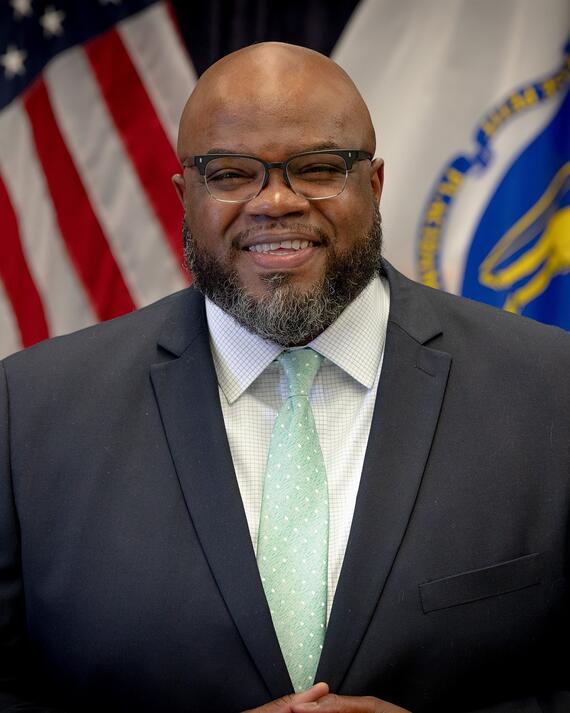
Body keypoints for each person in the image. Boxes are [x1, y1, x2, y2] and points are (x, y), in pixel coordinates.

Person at [0, 42, 568, 713]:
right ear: (186, 195)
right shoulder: (29, 411)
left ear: (375, 184)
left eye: (319, 167)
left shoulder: (550, 390)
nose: (275, 200)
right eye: (232, 174)